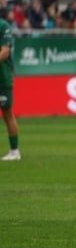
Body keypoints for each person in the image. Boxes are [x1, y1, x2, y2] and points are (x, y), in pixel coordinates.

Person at [0, 17, 20, 160]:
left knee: (7, 114)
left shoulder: (3, 26)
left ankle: (14, 152)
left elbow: (5, 52)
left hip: (2, 77)